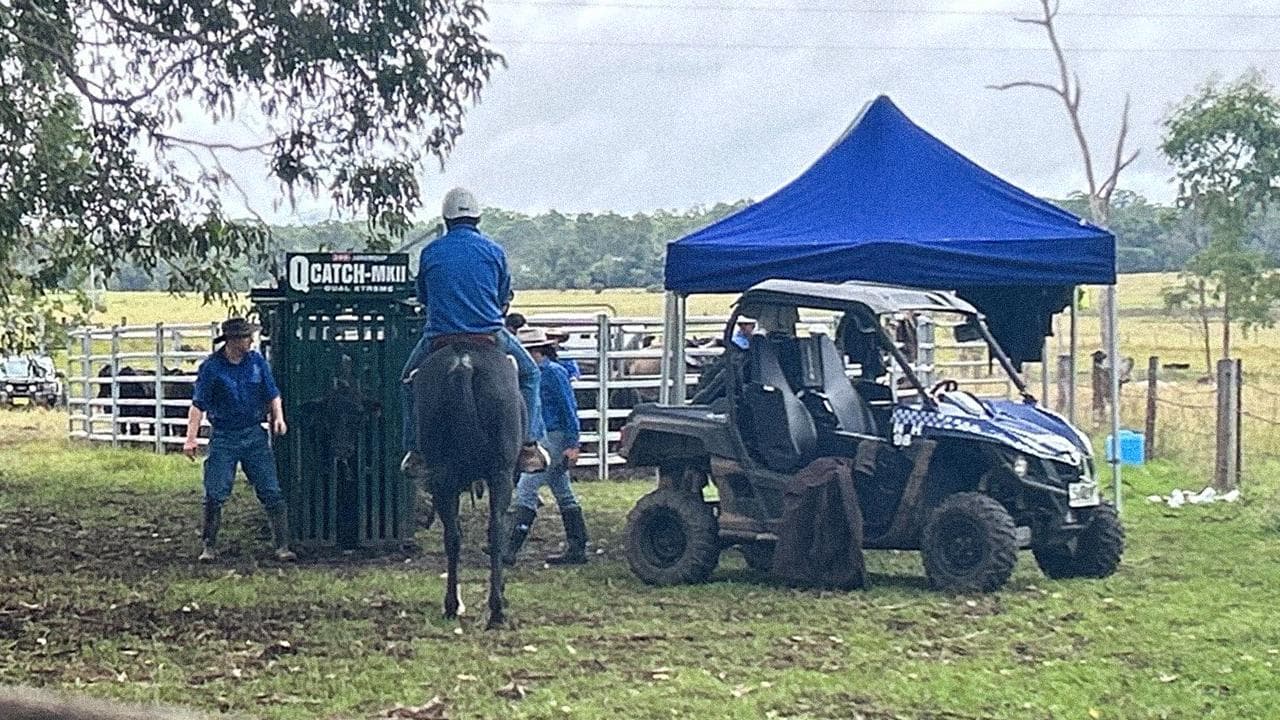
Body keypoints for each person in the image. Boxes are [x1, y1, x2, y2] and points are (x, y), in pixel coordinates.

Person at [401, 187, 548, 476]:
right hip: (489, 335)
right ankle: (529, 445)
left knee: (407, 382)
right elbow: (503, 294)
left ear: (446, 218)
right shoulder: (494, 251)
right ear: (478, 219)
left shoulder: (431, 252)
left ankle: (415, 451)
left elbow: (424, 297)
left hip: (439, 337)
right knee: (531, 374)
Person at [183, 318, 295, 562]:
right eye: (246, 337)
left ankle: (282, 545)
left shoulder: (257, 362)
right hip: (224, 434)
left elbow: (273, 393)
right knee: (216, 491)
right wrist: (190, 438)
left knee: (270, 489)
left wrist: (279, 418)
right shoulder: (211, 368)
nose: (250, 341)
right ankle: (209, 545)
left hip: (253, 432)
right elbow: (198, 404)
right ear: (233, 341)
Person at [503, 327, 589, 566]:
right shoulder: (543, 373)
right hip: (547, 434)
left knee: (527, 487)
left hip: (553, 434)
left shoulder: (552, 373)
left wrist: (573, 443)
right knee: (562, 489)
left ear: (536, 350)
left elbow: (568, 408)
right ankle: (577, 545)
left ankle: (509, 548)